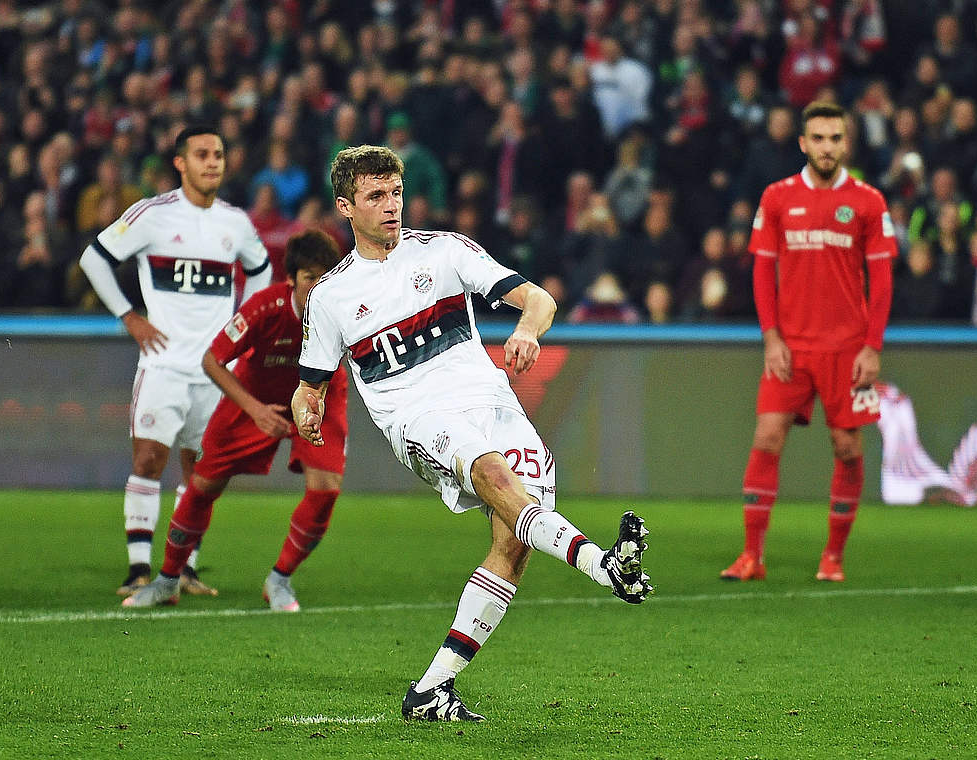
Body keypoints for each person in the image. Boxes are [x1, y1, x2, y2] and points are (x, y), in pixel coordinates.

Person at [290, 146, 651, 722]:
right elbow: (308, 383)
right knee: (493, 474)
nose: (391, 207)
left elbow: (539, 298)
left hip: (491, 401)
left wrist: (529, 330)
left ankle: (432, 690)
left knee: (514, 540)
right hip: (417, 416)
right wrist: (305, 406)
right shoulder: (332, 296)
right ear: (345, 207)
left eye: (395, 193)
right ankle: (606, 566)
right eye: (375, 197)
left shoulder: (446, 251)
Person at [78, 124, 273, 596]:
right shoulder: (153, 214)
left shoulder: (234, 222)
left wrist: (240, 335)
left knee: (201, 472)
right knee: (148, 459)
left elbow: (262, 270)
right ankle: (138, 568)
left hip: (213, 369)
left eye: (219, 154)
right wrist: (130, 317)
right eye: (202, 154)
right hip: (163, 363)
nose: (212, 162)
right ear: (180, 163)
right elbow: (94, 258)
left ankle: (183, 569)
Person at [122, 229, 349, 611]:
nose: (319, 288)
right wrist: (256, 410)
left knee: (326, 488)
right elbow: (212, 359)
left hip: (318, 395)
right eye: (310, 278)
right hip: (254, 398)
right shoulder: (264, 307)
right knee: (204, 484)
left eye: (327, 278)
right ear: (291, 278)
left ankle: (280, 580)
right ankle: (167, 580)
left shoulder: (344, 311)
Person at [720, 101, 896, 583]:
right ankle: (751, 556)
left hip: (848, 350)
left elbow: (881, 281)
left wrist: (873, 346)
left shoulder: (868, 201)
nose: (826, 146)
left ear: (846, 143)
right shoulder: (777, 197)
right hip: (791, 348)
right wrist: (771, 337)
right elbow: (761, 270)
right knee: (767, 435)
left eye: (835, 138)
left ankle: (833, 557)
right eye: (817, 138)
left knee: (847, 448)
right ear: (802, 143)